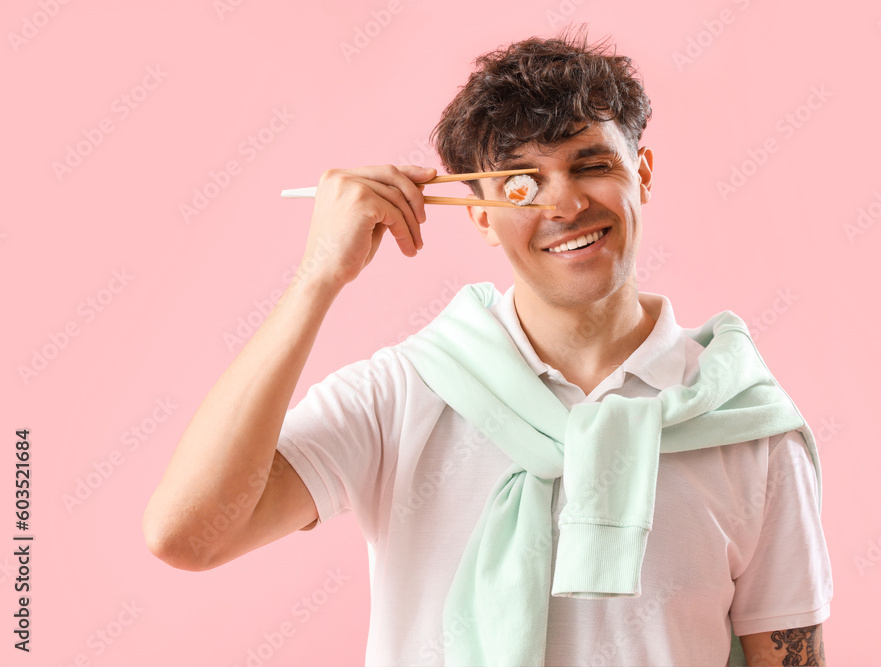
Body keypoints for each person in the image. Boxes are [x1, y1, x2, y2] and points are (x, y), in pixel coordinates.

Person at [143, 27, 833, 666]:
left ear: (642, 174)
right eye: (522, 184)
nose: (564, 205)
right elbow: (189, 532)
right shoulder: (403, 394)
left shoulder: (748, 427)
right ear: (477, 211)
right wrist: (318, 276)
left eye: (591, 164)